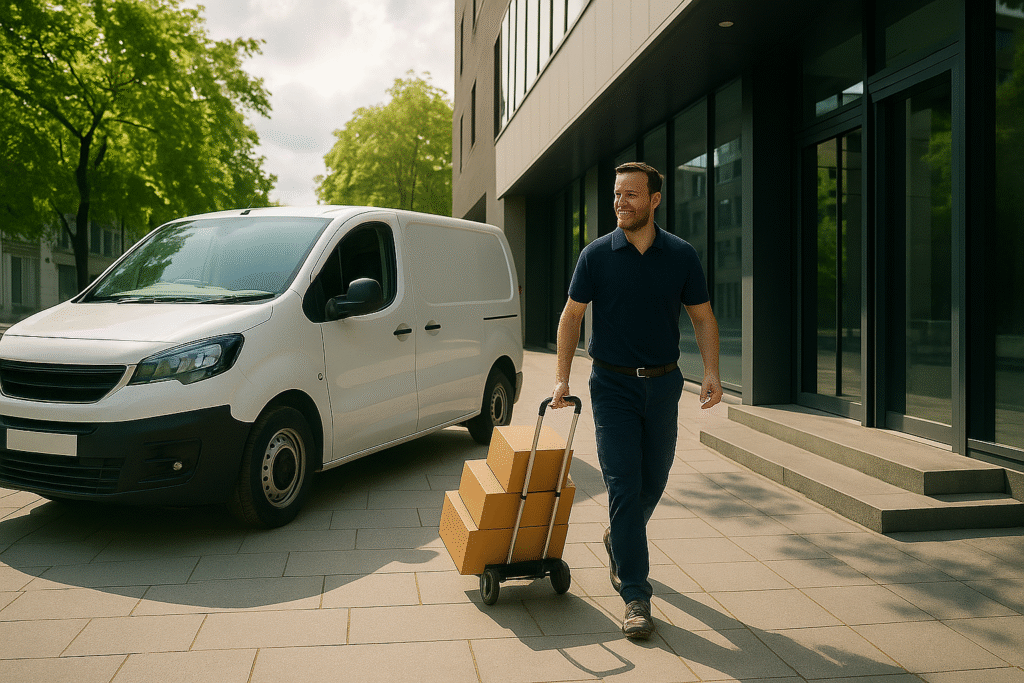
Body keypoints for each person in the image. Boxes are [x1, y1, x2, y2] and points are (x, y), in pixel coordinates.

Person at [551, 161, 722, 640]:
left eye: (630, 195)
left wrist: (711, 371)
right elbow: (571, 318)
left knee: (654, 480)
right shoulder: (596, 256)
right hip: (613, 386)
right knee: (624, 486)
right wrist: (562, 379)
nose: (620, 203)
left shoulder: (681, 256)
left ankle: (619, 538)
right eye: (616, 195)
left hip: (665, 385)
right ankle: (635, 595)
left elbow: (703, 318)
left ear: (654, 200)